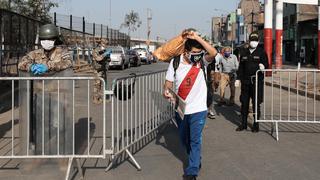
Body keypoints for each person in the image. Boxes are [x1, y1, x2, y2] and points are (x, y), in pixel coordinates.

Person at [163, 30, 217, 180]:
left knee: (195, 139)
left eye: (200, 52)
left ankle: (192, 170)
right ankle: (196, 158)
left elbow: (213, 52)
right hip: (181, 109)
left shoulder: (201, 62)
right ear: (186, 52)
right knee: (183, 138)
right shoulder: (175, 63)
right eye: (194, 52)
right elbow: (167, 85)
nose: (197, 55)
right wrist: (166, 92)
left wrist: (197, 38)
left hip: (199, 109)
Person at [235, 31, 269, 133]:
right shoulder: (244, 52)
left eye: (255, 40)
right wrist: (238, 78)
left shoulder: (261, 52)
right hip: (245, 81)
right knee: (244, 103)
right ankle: (243, 124)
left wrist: (264, 67)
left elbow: (266, 64)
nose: (253, 42)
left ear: (258, 42)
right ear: (249, 41)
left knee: (256, 104)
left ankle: (256, 124)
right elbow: (241, 67)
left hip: (257, 81)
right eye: (252, 40)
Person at [92, 38, 111, 104]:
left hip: (104, 69)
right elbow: (98, 59)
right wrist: (104, 54)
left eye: (106, 44)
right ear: (101, 43)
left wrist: (108, 56)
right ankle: (95, 99)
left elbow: (108, 60)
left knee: (103, 84)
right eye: (104, 43)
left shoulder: (105, 50)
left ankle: (102, 98)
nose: (105, 45)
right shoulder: (96, 50)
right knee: (97, 85)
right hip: (98, 70)